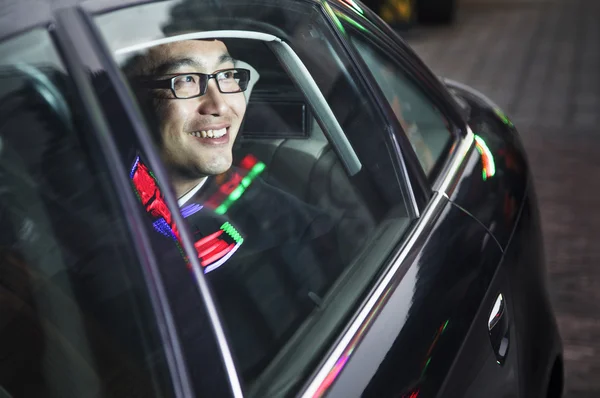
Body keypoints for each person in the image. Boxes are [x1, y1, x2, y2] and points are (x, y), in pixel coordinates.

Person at [123, 38, 344, 380]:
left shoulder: (296, 232)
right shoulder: (85, 206)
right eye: (186, 80)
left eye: (227, 75)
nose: (220, 105)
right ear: (131, 104)